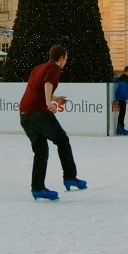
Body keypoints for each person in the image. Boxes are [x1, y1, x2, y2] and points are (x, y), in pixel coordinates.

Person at [18, 45, 86, 201]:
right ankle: (70, 177)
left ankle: (38, 188)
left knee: (41, 150)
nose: (65, 61)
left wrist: (55, 99)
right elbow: (48, 83)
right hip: (38, 113)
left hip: (24, 114)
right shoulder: (54, 68)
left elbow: (39, 88)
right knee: (62, 140)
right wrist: (49, 103)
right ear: (61, 58)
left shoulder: (38, 68)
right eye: (66, 58)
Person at [113, 66, 128, 136]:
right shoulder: (125, 79)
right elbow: (124, 90)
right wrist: (126, 98)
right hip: (122, 98)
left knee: (122, 113)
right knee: (122, 113)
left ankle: (120, 127)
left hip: (120, 97)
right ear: (126, 72)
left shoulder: (121, 78)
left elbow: (116, 80)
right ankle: (120, 128)